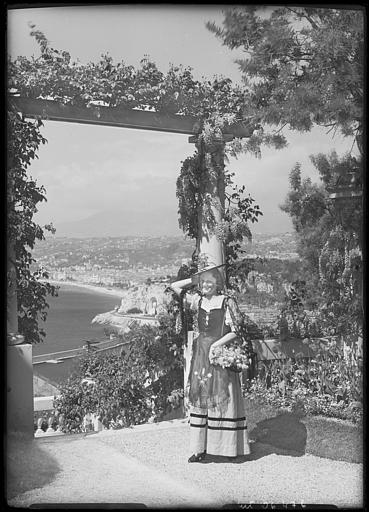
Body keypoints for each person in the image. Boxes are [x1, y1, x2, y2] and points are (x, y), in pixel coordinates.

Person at [170, 263, 251, 462]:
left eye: (210, 282)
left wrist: (217, 345)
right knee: (202, 395)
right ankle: (200, 448)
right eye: (203, 282)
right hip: (200, 355)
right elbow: (175, 286)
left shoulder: (226, 302)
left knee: (226, 395)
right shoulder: (196, 300)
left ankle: (228, 447)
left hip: (218, 352)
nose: (206, 285)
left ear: (217, 284)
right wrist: (195, 278)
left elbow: (236, 330)